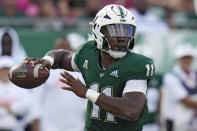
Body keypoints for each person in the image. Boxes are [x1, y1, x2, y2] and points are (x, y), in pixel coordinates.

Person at [24, 4, 155, 131]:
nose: (121, 38)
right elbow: (62, 56)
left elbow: (131, 110)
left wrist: (87, 93)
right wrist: (47, 61)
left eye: (126, 31)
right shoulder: (88, 53)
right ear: (99, 31)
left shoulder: (137, 64)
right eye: (115, 31)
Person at [33, 36, 86, 131]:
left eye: (65, 47)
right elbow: (37, 101)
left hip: (77, 126)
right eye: (59, 48)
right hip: (50, 127)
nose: (61, 51)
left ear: (70, 50)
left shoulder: (81, 72)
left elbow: (87, 100)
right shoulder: (44, 72)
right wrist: (36, 125)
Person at [163, 43, 197, 131]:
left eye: (189, 57)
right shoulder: (170, 77)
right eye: (184, 57)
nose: (187, 60)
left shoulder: (194, 74)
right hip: (175, 122)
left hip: (191, 122)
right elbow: (186, 101)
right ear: (178, 59)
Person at [0, 56, 35, 131]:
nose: (5, 72)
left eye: (7, 69)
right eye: (3, 70)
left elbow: (25, 106)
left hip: (17, 128)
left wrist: (8, 107)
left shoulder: (21, 86)